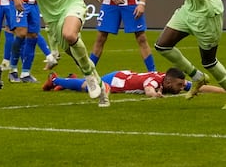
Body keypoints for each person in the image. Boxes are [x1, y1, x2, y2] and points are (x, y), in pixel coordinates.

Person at [42, 68, 226, 97]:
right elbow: (148, 89)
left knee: (86, 84)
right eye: (179, 85)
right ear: (168, 82)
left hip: (124, 76)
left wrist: (223, 90)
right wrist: (155, 95)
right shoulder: (155, 81)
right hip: (115, 81)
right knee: (91, 88)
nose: (181, 88)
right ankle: (55, 79)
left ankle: (70, 80)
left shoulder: (170, 81)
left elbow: (199, 87)